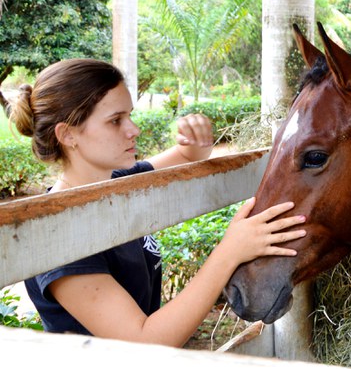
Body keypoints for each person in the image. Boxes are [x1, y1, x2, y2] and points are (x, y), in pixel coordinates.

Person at [9, 58, 306, 347]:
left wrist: (195, 140)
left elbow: (188, 157)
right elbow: (145, 340)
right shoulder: (59, 235)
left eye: (129, 115)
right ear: (68, 134)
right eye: (115, 120)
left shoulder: (123, 182)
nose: (133, 129)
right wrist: (229, 252)